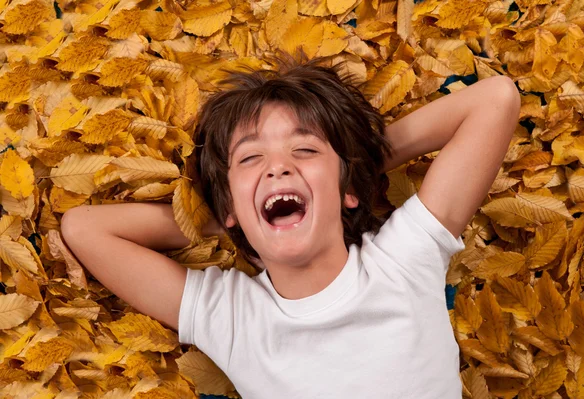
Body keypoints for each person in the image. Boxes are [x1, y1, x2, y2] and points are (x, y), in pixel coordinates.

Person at [61, 51, 521, 398]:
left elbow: (496, 98)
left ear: (348, 188)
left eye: (304, 150)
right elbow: (84, 229)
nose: (277, 167)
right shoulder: (232, 318)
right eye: (251, 157)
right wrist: (229, 215)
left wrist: (353, 166)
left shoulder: (403, 259)